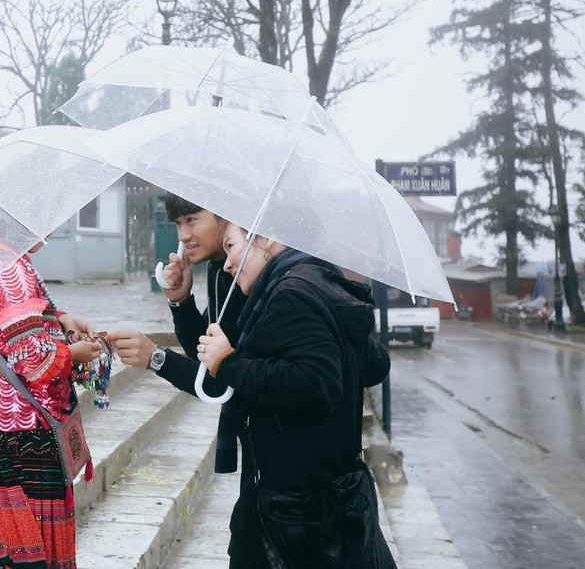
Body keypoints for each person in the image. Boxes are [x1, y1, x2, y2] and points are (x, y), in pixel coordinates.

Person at [195, 221, 395, 568]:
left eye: (231, 246)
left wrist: (229, 364)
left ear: (267, 239)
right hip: (332, 497)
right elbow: (375, 363)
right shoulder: (321, 282)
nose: (226, 264)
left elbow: (315, 383)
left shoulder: (291, 294)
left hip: (301, 511)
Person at [0, 239, 102, 569]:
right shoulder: (7, 269)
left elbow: (20, 324)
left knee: (18, 552)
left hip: (1, 421)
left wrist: (64, 319)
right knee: (36, 553)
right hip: (23, 428)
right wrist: (76, 354)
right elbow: (36, 362)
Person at [108, 193, 247, 465]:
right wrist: (181, 300)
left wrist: (154, 357)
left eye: (192, 220)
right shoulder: (219, 269)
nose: (183, 235)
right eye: (178, 223)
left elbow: (220, 381)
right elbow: (203, 357)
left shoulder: (245, 277)